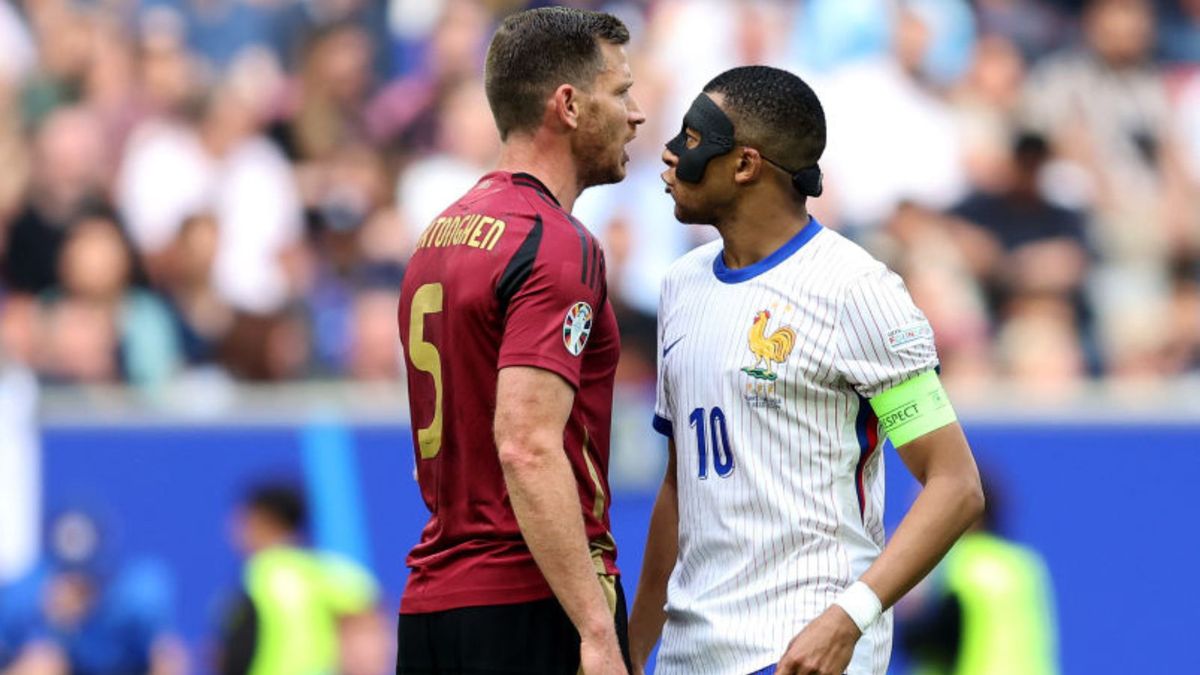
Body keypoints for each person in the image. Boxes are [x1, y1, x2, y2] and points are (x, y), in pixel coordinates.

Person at [628, 66, 985, 675]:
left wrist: (846, 619)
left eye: (691, 139)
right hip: (690, 657)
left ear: (745, 165)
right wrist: (632, 650)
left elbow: (955, 486)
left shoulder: (857, 291)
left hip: (797, 653)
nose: (668, 155)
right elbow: (678, 485)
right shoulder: (681, 286)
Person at [395, 6, 644, 675]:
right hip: (531, 601)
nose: (637, 114)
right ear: (568, 104)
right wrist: (595, 629)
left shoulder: (438, 234)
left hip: (432, 609)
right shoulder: (557, 244)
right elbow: (526, 443)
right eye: (620, 93)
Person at [216, 484, 382, 675]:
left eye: (243, 520)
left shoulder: (258, 577)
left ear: (264, 520)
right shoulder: (332, 573)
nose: (235, 529)